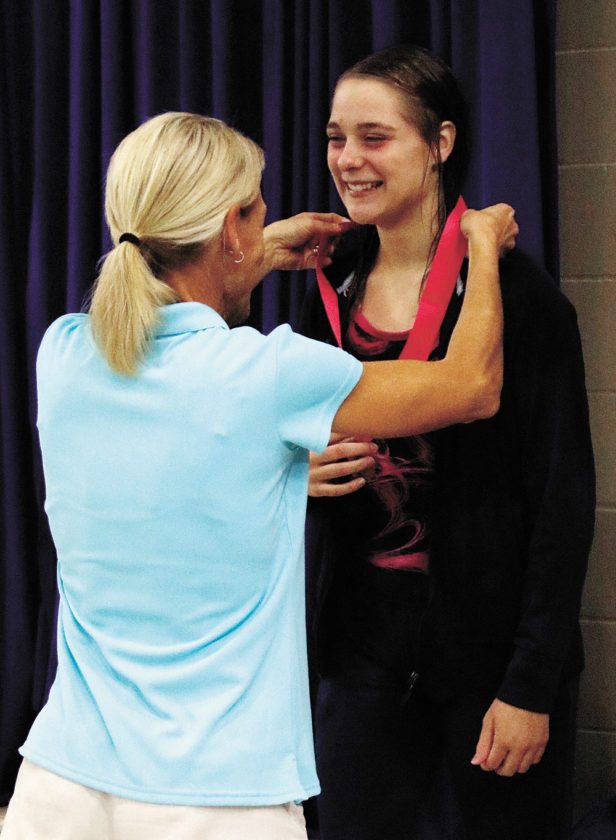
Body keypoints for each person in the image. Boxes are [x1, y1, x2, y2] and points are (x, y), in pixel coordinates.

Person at [2, 112, 516, 840]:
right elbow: (473, 386)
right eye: (256, 209)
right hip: (217, 799)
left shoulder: (63, 353)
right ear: (229, 228)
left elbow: (166, 335)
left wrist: (252, 250)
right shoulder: (268, 376)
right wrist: (482, 245)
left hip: (58, 786)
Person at [299, 45, 595, 840]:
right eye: (335, 138)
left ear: (441, 142)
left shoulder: (520, 299)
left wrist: (530, 682)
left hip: (491, 668)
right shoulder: (326, 290)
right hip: (359, 664)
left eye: (375, 137)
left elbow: (563, 502)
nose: (348, 160)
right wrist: (299, 470)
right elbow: (274, 441)